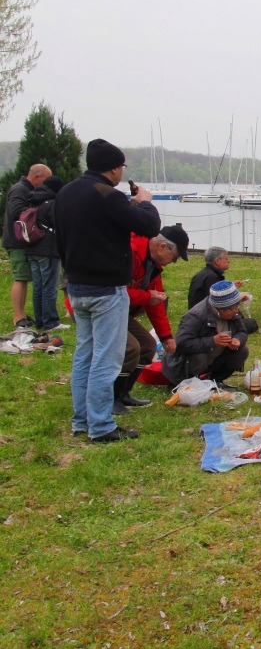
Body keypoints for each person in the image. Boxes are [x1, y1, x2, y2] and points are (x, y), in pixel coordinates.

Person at [55, 139, 160, 443]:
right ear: (114, 168)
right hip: (106, 289)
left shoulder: (66, 193)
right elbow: (149, 226)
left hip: (76, 286)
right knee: (106, 358)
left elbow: (60, 241)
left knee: (85, 356)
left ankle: (81, 420)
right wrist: (144, 201)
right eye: (122, 167)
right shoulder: (107, 195)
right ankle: (100, 426)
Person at [118, 225, 189, 410]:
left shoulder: (153, 266)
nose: (173, 262)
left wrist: (166, 337)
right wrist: (147, 297)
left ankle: (123, 393)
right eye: (175, 257)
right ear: (163, 246)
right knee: (131, 348)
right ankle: (112, 399)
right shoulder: (131, 253)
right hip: (107, 308)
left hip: (122, 310)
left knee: (148, 346)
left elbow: (156, 303)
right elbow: (115, 291)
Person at [162, 280, 249, 387]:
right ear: (220, 309)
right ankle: (191, 383)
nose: (236, 311)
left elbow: (242, 331)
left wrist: (238, 340)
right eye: (233, 308)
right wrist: (212, 341)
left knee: (242, 351)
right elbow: (181, 343)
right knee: (200, 358)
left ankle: (216, 380)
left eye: (237, 306)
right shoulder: (196, 316)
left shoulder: (232, 311)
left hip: (214, 357)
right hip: (187, 363)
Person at [3, 163, 52, 329]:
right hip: (17, 242)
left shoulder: (25, 189)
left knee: (25, 278)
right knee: (20, 277)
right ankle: (18, 316)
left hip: (23, 241)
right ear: (37, 177)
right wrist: (39, 211)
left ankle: (22, 313)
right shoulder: (19, 190)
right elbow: (16, 211)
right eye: (45, 180)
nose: (46, 184)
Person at [25, 175, 67, 331]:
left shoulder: (34, 200)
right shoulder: (51, 203)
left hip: (33, 248)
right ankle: (50, 321)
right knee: (49, 286)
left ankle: (40, 320)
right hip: (48, 250)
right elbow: (60, 225)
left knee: (38, 286)